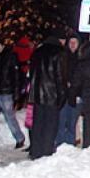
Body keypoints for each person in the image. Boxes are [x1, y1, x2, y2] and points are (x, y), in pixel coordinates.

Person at [27, 32, 66, 160]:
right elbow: (60, 77)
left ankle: (35, 151)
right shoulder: (58, 53)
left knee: (38, 123)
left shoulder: (37, 53)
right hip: (52, 95)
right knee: (50, 124)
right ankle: (46, 151)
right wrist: (62, 96)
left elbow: (32, 75)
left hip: (37, 95)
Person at [55, 35, 81, 148]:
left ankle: (69, 145)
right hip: (64, 94)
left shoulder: (81, 59)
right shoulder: (63, 56)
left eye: (75, 42)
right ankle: (60, 143)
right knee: (61, 120)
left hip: (76, 95)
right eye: (71, 42)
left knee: (72, 122)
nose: (73, 45)